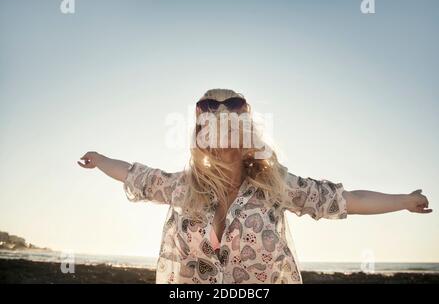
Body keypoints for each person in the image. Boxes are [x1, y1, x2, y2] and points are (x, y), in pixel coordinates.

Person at [78, 88, 432, 284]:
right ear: (201, 138)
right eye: (211, 128)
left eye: (231, 126)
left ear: (247, 135)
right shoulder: (182, 187)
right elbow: (134, 174)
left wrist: (404, 200)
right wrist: (99, 158)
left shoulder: (275, 186)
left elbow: (345, 200)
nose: (222, 138)